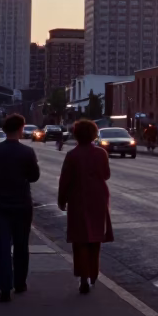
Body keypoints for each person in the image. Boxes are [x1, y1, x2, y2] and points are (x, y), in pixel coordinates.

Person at [0, 113, 40, 303]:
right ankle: (20, 282)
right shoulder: (27, 152)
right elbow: (34, 177)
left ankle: (4, 287)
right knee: (21, 245)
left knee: (2, 245)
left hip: (0, 204)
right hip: (22, 204)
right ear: (20, 129)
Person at [57, 119, 114, 295]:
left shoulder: (72, 155)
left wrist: (62, 199)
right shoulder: (101, 153)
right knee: (95, 239)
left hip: (78, 198)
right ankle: (93, 275)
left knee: (80, 239)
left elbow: (65, 180)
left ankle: (83, 278)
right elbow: (106, 174)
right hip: (98, 198)